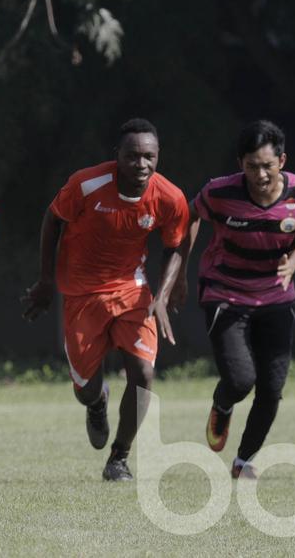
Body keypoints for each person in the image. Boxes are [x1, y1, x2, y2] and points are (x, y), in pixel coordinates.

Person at [21, 118, 189, 481]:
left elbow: (176, 245)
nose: (141, 165)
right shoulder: (86, 184)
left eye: (149, 156)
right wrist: (47, 280)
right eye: (132, 156)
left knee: (144, 373)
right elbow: (53, 220)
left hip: (132, 291)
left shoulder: (169, 197)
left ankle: (119, 458)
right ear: (118, 156)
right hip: (82, 295)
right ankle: (97, 402)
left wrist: (162, 295)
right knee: (85, 389)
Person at [183, 120, 295, 479]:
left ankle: (244, 461)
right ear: (239, 163)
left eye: (267, 166)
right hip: (225, 292)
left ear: (282, 161)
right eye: (251, 166)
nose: (260, 174)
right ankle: (222, 403)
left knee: (272, 389)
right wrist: (181, 268)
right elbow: (192, 215)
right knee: (242, 380)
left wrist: (293, 264)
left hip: (276, 296)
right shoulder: (219, 192)